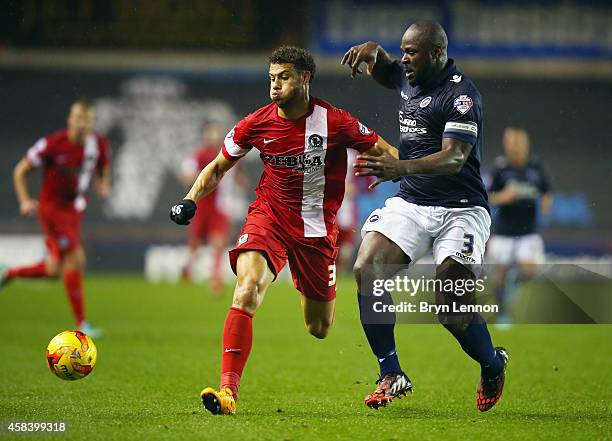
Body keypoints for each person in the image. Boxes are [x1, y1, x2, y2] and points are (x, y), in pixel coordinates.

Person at [170, 46, 398, 415]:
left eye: (284, 77)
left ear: (305, 78)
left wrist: (412, 175)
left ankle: (304, 284)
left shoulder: (335, 122)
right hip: (269, 218)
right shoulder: (256, 123)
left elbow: (387, 150)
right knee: (246, 291)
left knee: (319, 327)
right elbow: (217, 167)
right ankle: (229, 392)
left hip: (316, 231)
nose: (275, 85)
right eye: (272, 78)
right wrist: (190, 199)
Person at [342, 20, 508, 412]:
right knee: (367, 268)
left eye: (411, 52)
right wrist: (373, 50)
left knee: (451, 307)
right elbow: (386, 69)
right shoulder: (408, 76)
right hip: (414, 202)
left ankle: (492, 363)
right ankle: (391, 373)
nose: (404, 60)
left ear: (436, 53)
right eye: (401, 51)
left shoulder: (462, 96)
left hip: (461, 209)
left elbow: (453, 158)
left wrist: (399, 167)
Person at [0, 99, 111, 338]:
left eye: (87, 119)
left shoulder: (97, 144)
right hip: (52, 210)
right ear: (70, 119)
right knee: (75, 258)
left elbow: (103, 166)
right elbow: (20, 170)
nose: (83, 123)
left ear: (92, 123)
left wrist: (103, 184)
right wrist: (24, 200)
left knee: (53, 270)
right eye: (78, 118)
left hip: (74, 211)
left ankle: (7, 274)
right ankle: (82, 324)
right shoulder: (53, 144)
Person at [487, 127, 553, 323]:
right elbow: (487, 196)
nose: (515, 147)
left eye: (518, 142)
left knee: (530, 270)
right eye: (511, 142)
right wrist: (503, 197)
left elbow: (547, 190)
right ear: (506, 145)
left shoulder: (535, 167)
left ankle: (513, 283)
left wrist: (546, 202)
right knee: (498, 275)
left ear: (526, 144)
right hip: (503, 232)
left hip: (528, 231)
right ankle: (502, 315)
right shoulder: (500, 168)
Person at [179, 122, 233, 293]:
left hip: (220, 207)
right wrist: (200, 177)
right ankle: (188, 268)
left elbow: (237, 176)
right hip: (202, 205)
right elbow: (186, 175)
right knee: (196, 242)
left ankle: (216, 279)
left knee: (218, 242)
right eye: (211, 133)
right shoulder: (199, 155)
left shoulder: (229, 153)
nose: (214, 136)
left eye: (216, 133)